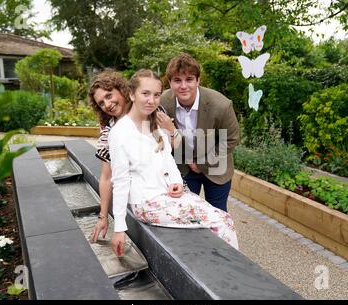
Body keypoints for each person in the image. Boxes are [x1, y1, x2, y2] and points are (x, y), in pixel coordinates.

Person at [109, 69, 238, 257]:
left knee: (222, 218)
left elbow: (167, 158)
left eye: (156, 95)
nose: (151, 100)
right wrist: (119, 228)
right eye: (145, 93)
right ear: (131, 94)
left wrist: (176, 182)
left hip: (168, 194)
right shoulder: (120, 133)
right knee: (221, 222)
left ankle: (217, 266)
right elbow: (119, 181)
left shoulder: (155, 125)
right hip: (147, 202)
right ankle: (232, 272)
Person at [89, 69, 178, 243]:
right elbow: (107, 178)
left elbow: (173, 149)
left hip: (170, 183)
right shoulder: (110, 134)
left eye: (109, 96)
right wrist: (103, 217)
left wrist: (172, 130)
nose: (107, 104)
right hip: (147, 197)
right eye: (101, 103)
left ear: (124, 91)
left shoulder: (150, 109)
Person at [160, 53, 240, 213]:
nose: (183, 86)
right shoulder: (162, 102)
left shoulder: (221, 105)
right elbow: (156, 138)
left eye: (189, 79)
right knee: (184, 212)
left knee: (217, 215)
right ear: (170, 82)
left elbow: (231, 139)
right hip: (182, 165)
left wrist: (201, 163)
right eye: (177, 80)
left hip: (216, 165)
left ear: (198, 80)